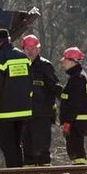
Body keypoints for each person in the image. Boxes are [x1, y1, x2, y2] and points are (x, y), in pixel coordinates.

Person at [0, 28, 32, 168]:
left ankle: (13, 172)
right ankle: (18, 170)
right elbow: (29, 83)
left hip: (5, 112)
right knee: (17, 144)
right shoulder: (23, 57)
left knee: (7, 144)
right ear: (9, 39)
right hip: (23, 110)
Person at [20, 34, 61, 166]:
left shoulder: (45, 66)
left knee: (42, 147)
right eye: (27, 49)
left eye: (33, 48)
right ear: (23, 50)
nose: (30, 51)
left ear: (38, 49)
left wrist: (68, 99)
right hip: (24, 113)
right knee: (27, 148)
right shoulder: (18, 65)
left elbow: (55, 87)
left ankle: (45, 173)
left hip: (42, 114)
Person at [58, 47, 87, 165]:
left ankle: (80, 171)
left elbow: (75, 103)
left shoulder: (77, 79)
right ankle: (80, 169)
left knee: (76, 151)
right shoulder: (80, 77)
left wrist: (68, 121)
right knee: (76, 150)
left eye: (65, 61)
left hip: (75, 121)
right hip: (77, 121)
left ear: (72, 61)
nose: (63, 63)